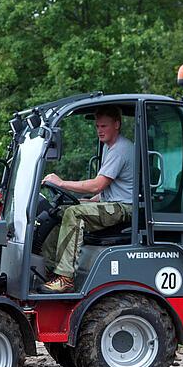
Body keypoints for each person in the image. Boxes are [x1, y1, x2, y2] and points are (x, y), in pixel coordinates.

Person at [38, 105, 134, 294]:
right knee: (61, 211)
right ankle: (50, 269)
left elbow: (97, 185)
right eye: (97, 126)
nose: (99, 130)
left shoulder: (120, 149)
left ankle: (65, 278)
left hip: (124, 208)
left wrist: (62, 183)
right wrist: (90, 201)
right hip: (112, 204)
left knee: (74, 214)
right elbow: (109, 189)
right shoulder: (109, 147)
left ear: (117, 124)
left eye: (104, 126)